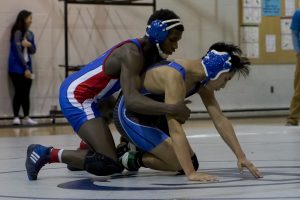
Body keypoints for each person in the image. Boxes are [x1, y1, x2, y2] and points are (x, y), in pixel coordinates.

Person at [25, 9, 191, 181]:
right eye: (172, 40)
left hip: (98, 98)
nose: (175, 46)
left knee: (118, 146)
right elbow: (132, 101)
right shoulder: (132, 53)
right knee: (108, 163)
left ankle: (84, 151)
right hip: (77, 96)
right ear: (158, 34)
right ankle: (45, 153)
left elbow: (132, 97)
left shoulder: (150, 55)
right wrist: (171, 108)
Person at [114, 42, 263, 182]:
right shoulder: (175, 76)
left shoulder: (202, 80)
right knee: (177, 163)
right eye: (226, 79)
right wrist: (191, 174)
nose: (224, 86)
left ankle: (135, 147)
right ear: (218, 72)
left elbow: (219, 118)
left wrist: (241, 156)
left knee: (190, 162)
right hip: (130, 114)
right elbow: (175, 128)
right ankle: (127, 157)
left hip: (153, 115)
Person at [8, 10, 37, 125]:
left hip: (27, 67)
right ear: (24, 19)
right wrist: (25, 68)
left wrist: (29, 45)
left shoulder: (30, 34)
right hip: (16, 68)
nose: (31, 20)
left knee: (26, 92)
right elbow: (18, 52)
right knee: (19, 92)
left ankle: (26, 116)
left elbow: (33, 50)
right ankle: (16, 117)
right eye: (30, 18)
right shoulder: (17, 32)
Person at [286, 8, 300, 126]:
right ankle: (293, 118)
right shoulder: (298, 13)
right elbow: (294, 34)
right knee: (299, 87)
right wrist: (298, 52)